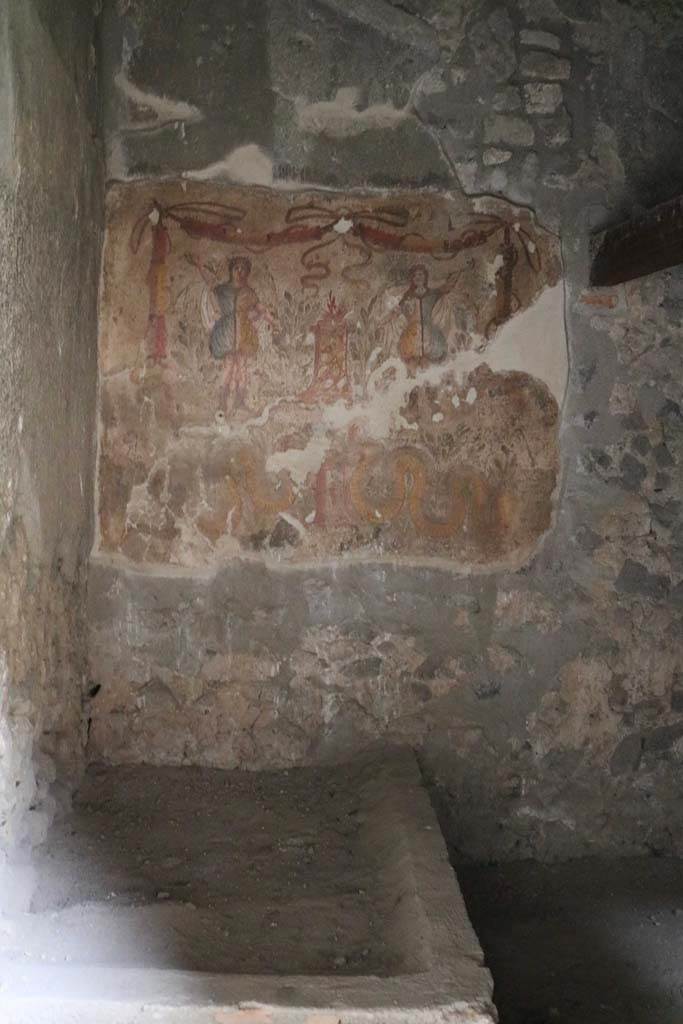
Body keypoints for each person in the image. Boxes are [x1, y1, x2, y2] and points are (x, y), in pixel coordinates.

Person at [189, 254, 265, 412]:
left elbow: (260, 310)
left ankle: (240, 402)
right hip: (227, 331)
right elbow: (209, 283)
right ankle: (222, 403)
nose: (240, 271)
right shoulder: (222, 289)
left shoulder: (248, 292)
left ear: (247, 273)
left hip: (243, 332)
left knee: (242, 365)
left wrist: (260, 318)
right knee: (229, 365)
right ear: (231, 270)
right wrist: (199, 267)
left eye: (243, 269)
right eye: (236, 268)